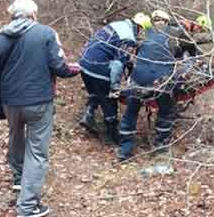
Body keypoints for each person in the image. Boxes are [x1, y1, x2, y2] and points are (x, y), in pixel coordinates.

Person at [0, 0, 80, 217]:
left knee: (16, 138)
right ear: (34, 14)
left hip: (10, 102)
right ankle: (27, 207)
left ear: (12, 14)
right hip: (38, 102)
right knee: (37, 152)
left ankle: (19, 181)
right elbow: (59, 66)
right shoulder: (46, 33)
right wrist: (76, 69)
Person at [117, 10, 183, 161]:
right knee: (166, 111)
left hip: (139, 78)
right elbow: (188, 50)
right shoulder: (175, 34)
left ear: (153, 21)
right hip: (161, 80)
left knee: (131, 111)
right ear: (167, 21)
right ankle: (160, 147)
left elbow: (136, 51)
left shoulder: (143, 33)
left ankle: (124, 151)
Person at [77, 12, 152, 144]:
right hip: (99, 68)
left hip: (84, 64)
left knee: (97, 91)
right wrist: (115, 86)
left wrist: (127, 62)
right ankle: (111, 134)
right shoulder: (129, 38)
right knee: (109, 99)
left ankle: (88, 114)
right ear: (140, 28)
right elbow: (117, 65)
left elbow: (108, 48)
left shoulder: (116, 25)